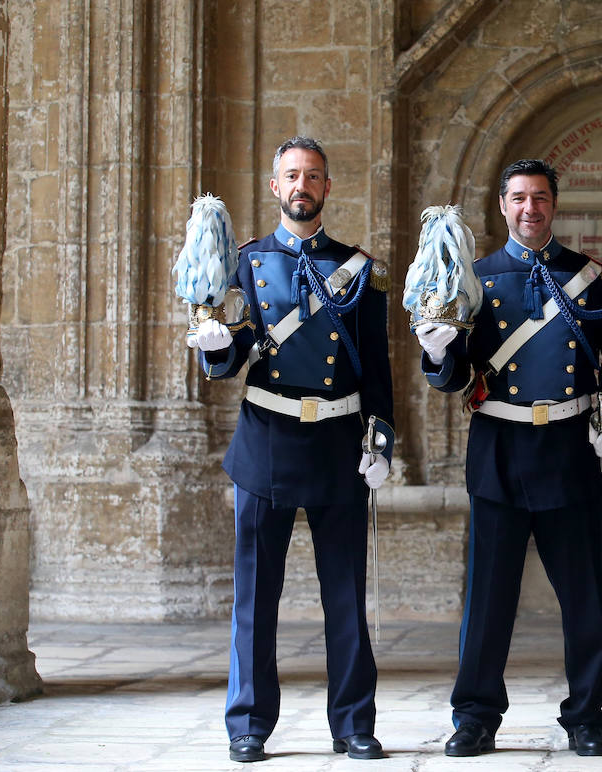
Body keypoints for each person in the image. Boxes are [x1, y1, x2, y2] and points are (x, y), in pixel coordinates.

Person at [415, 158, 602, 758]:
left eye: (539, 197)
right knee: (487, 599)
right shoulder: (476, 279)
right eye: (517, 198)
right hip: (500, 450)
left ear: (553, 205)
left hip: (568, 450)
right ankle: (475, 717)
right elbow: (454, 374)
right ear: (503, 206)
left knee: (583, 599)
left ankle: (587, 718)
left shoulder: (590, 279)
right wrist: (437, 356)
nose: (528, 208)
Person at [193, 136, 394, 763]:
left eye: (313, 176)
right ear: (275, 187)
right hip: (267, 445)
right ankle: (248, 725)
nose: (302, 186)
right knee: (256, 598)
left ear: (327, 188)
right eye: (292, 176)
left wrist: (381, 437)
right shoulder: (245, 264)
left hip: (337, 444)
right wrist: (214, 342)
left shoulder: (359, 270)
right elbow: (228, 363)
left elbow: (379, 369)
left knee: (345, 598)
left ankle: (354, 724)